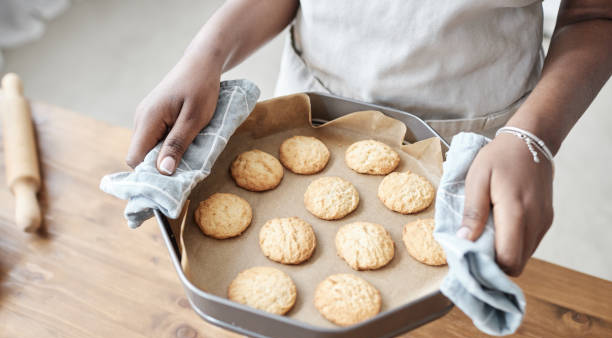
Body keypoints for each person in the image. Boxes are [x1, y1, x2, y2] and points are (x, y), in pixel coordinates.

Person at [125, 0, 612, 276]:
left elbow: (594, 15)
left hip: (477, 130)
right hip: (312, 107)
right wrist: (205, 56)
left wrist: (534, 136)